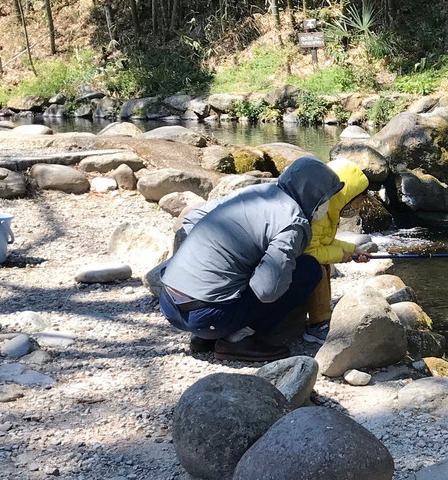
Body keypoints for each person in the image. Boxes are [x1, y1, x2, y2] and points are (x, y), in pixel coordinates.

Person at [158, 155, 343, 362]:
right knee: (308, 269)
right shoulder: (293, 222)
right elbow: (267, 290)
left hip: (168, 302)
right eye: (326, 197)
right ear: (313, 196)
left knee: (245, 271)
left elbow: (192, 219)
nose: (328, 203)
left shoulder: (256, 192)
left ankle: (204, 337)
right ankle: (237, 339)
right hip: (207, 316)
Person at [302, 158, 372, 343]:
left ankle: (321, 318)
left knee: (323, 264)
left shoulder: (327, 208)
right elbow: (310, 251)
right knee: (318, 266)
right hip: (297, 265)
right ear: (346, 194)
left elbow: (326, 240)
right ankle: (318, 324)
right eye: (359, 199)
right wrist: (343, 256)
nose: (358, 206)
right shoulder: (319, 213)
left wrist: (353, 250)